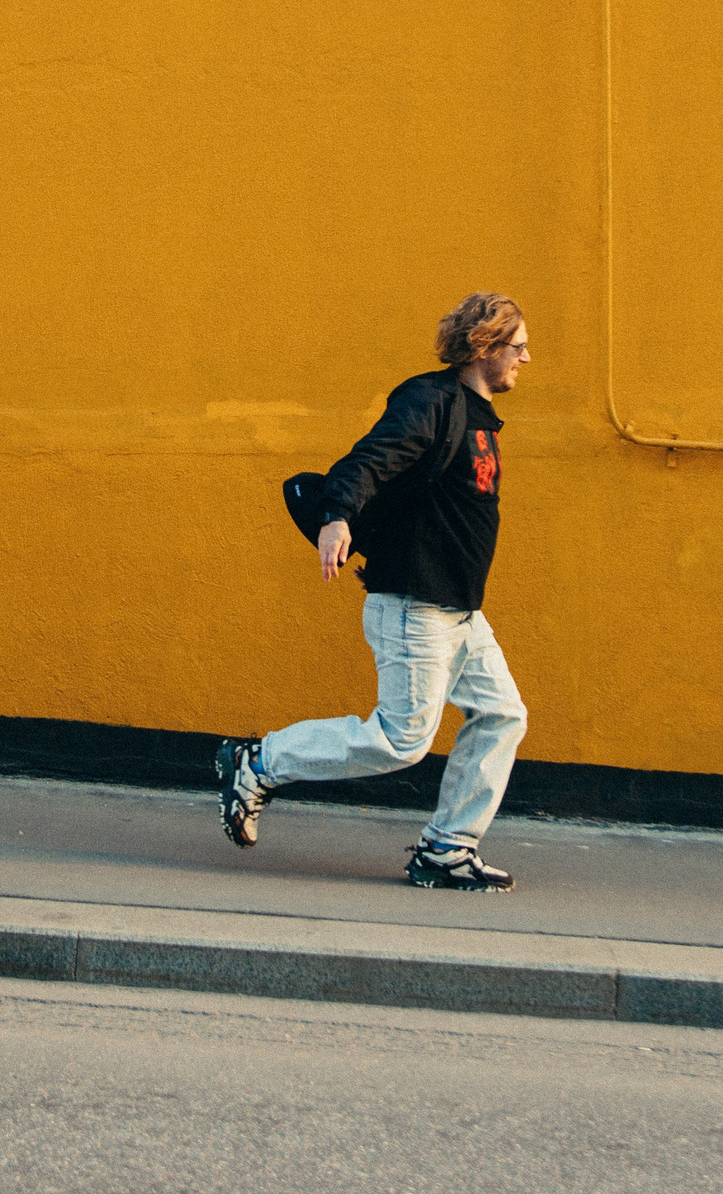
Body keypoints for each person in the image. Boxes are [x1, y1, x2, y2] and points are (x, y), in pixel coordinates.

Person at [218, 292, 532, 891]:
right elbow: (368, 461)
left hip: (460, 612)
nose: (526, 358)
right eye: (517, 347)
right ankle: (257, 763)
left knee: (501, 715)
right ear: (485, 347)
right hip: (416, 606)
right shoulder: (431, 401)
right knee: (399, 739)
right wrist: (337, 515)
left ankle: (446, 849)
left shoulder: (479, 416)